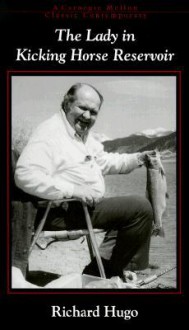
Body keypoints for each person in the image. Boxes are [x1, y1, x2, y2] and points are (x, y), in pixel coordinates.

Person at [14, 82, 154, 287]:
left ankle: (98, 273)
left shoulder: (79, 133)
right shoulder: (50, 133)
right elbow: (24, 174)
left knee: (130, 212)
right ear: (67, 103)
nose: (87, 116)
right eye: (83, 108)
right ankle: (107, 272)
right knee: (139, 209)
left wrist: (138, 158)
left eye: (93, 112)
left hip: (82, 207)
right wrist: (74, 190)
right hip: (61, 209)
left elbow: (103, 161)